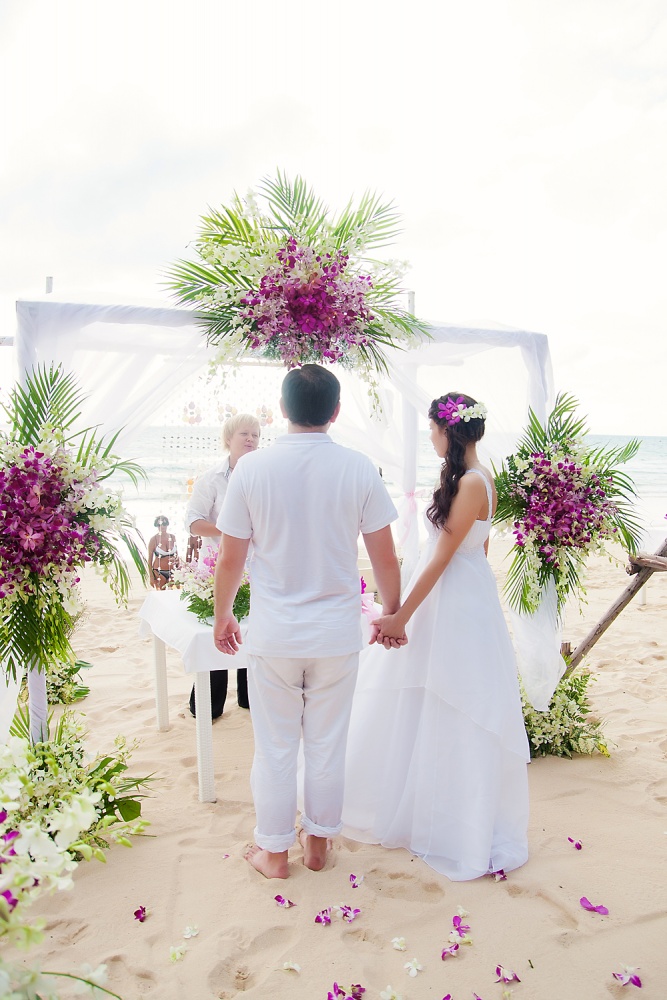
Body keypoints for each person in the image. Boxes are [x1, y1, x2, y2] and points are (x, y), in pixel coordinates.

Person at [213, 364, 403, 879]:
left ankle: (274, 854)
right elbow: (384, 557)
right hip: (335, 635)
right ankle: (317, 844)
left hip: (276, 634)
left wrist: (223, 615)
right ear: (335, 412)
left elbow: (230, 559)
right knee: (326, 745)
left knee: (275, 748)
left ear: (281, 409)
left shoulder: (251, 469)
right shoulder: (358, 468)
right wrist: (391, 613)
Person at [342, 393, 530, 881]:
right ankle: (421, 809)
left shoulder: (473, 482)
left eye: (432, 429)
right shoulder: (475, 478)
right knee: (425, 697)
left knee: (453, 699)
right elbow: (474, 552)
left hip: (454, 600)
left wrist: (402, 616)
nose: (429, 437)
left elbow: (445, 556)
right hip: (458, 594)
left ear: (450, 431)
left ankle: (452, 824)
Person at [185, 413, 261, 717]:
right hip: (218, 567)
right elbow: (193, 522)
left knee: (250, 631)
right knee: (216, 631)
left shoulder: (263, 475)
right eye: (244, 433)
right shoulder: (210, 479)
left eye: (256, 435)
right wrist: (230, 529)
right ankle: (209, 705)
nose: (251, 439)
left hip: (256, 568)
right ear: (228, 438)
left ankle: (247, 697)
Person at [147, 516, 179, 589]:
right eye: (159, 525)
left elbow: (176, 555)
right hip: (159, 572)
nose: (162, 526)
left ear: (167, 524)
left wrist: (178, 569)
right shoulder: (154, 539)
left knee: (174, 593)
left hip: (173, 571)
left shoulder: (172, 537)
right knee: (161, 593)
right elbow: (150, 559)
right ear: (157, 526)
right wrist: (151, 577)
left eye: (164, 524)